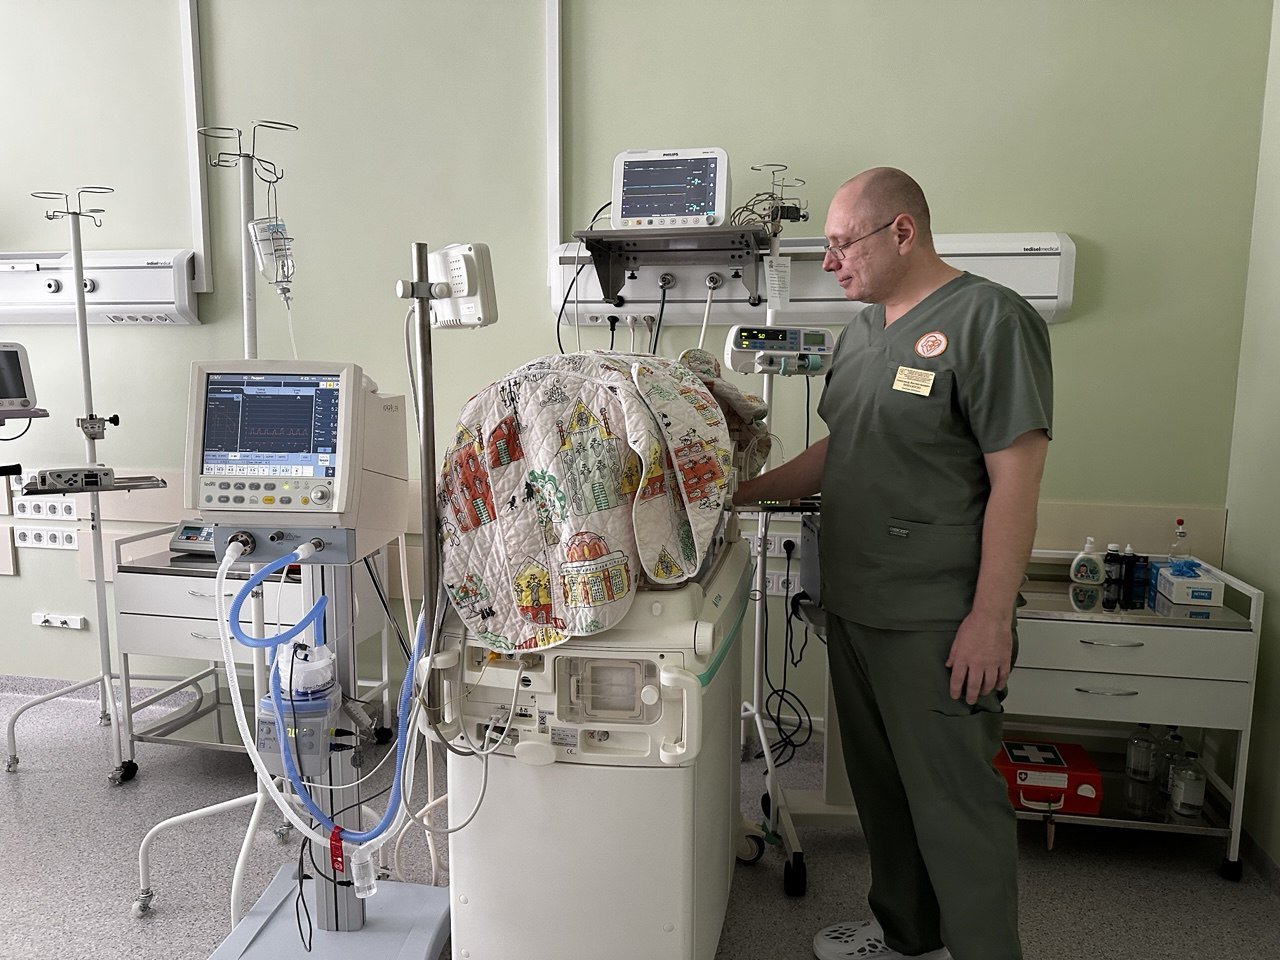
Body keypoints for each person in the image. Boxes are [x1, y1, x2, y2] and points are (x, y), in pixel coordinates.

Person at [734, 168, 1052, 960]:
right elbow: (842, 448)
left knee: (954, 804)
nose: (830, 262)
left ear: (902, 232)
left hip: (936, 616)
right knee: (882, 793)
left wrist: (990, 619)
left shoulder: (991, 321)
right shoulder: (863, 334)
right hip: (855, 603)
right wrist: (738, 493)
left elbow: (1017, 482)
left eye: (843, 244)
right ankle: (909, 937)